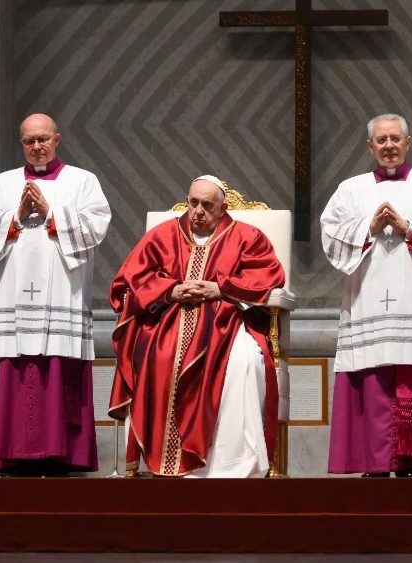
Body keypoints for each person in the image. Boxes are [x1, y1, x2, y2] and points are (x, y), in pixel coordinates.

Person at [109, 176, 285, 477]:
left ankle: (228, 466)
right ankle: (164, 461)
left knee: (243, 362)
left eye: (207, 205)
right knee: (156, 359)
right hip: (166, 322)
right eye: (193, 203)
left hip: (225, 321)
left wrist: (222, 288)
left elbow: (269, 277)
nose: (198, 211)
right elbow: (127, 283)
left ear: (223, 207)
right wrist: (169, 291)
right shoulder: (162, 236)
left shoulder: (247, 236)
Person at [321, 114, 412, 478]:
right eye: (381, 140)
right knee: (372, 385)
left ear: (408, 141)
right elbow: (331, 235)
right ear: (370, 146)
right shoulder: (350, 189)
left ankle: (410, 467)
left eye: (395, 139)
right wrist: (368, 228)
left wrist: (409, 228)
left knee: (411, 378)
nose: (388, 146)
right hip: (366, 300)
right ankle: (375, 467)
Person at [0, 113, 110, 476]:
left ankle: (63, 456)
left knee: (58, 368)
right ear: (21, 143)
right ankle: (15, 456)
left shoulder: (83, 182)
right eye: (29, 141)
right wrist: (15, 218)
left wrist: (52, 215)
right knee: (18, 370)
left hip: (62, 297)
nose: (37, 147)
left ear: (57, 139)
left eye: (43, 139)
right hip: (14, 300)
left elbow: (96, 227)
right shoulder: (2, 184)